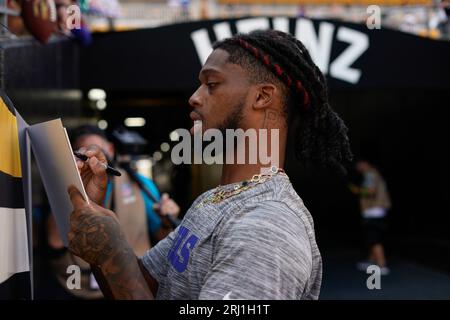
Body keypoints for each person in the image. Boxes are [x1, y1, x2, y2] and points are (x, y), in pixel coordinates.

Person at [66, 29, 352, 299]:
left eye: (211, 85)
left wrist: (111, 249)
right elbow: (144, 285)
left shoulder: (266, 225)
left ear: (262, 96)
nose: (194, 97)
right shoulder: (213, 201)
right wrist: (97, 217)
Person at [46, 125, 180, 299]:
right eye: (83, 154)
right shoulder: (68, 189)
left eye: (98, 150)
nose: (92, 159)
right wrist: (69, 186)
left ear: (111, 149)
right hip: (80, 287)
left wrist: (167, 220)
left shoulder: (140, 185)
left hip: (132, 284)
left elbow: (162, 238)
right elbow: (54, 243)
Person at [350, 159, 391, 275]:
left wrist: (357, 190)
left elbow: (370, 191)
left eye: (358, 165)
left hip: (373, 211)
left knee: (374, 238)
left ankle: (382, 265)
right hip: (376, 211)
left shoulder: (370, 174)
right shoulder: (374, 173)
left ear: (364, 163)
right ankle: (372, 261)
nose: (357, 168)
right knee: (372, 237)